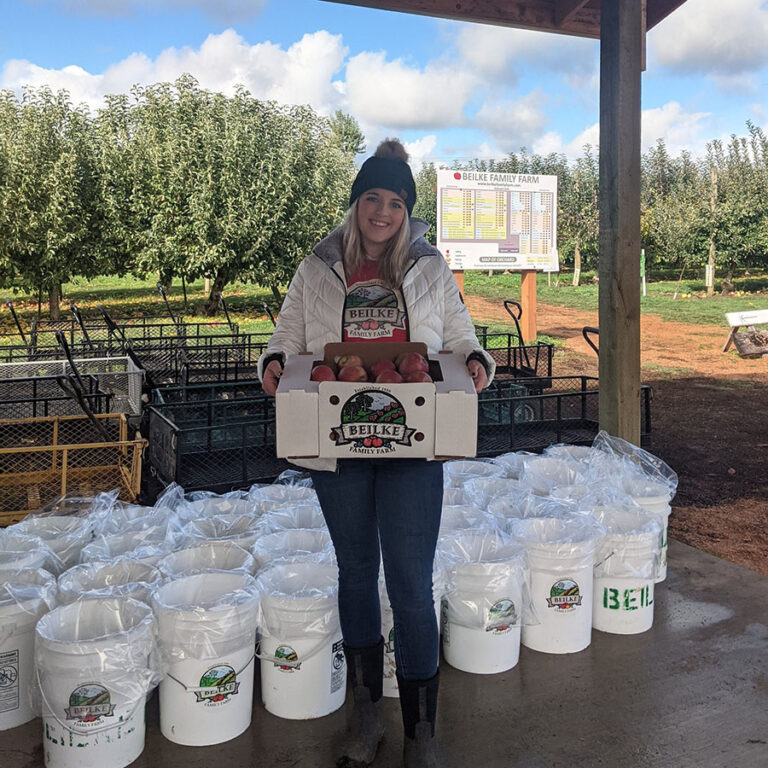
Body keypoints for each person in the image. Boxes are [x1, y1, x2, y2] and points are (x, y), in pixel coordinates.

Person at [259, 139, 495, 768]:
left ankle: (422, 733)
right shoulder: (318, 267)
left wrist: (475, 360)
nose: (382, 212)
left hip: (412, 436)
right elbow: (286, 334)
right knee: (357, 572)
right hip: (338, 435)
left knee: (412, 583)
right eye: (372, 198)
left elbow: (460, 334)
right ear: (356, 202)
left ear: (407, 210)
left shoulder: (429, 266)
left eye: (395, 201)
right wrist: (274, 363)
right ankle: (365, 717)